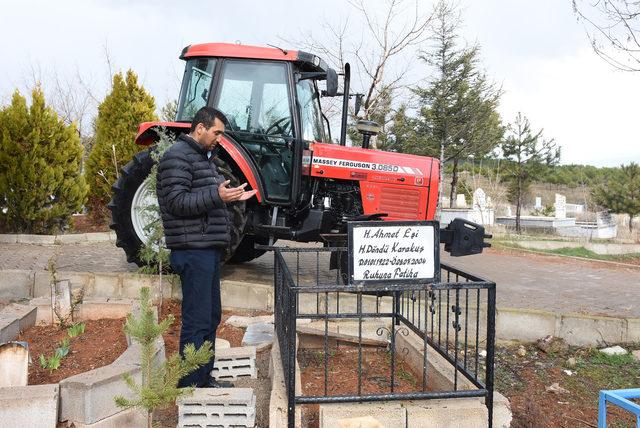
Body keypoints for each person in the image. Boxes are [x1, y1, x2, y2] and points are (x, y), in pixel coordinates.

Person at [156, 106, 256, 388]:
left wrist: (232, 197)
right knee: (196, 319)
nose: (219, 139)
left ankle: (203, 378)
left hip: (206, 249)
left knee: (210, 316)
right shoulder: (177, 157)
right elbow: (177, 202)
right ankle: (189, 384)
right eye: (216, 133)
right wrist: (216, 195)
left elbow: (207, 198)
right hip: (192, 250)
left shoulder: (203, 158)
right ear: (200, 128)